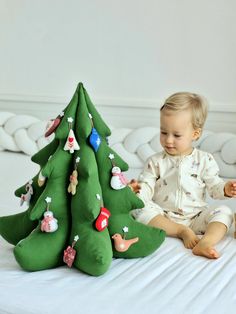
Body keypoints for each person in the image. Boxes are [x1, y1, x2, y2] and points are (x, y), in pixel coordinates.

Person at [130, 92, 236, 259]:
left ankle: (206, 242)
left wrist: (225, 188)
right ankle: (181, 231)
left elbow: (214, 188)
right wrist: (137, 191)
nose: (168, 140)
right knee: (138, 210)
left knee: (225, 212)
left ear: (195, 134)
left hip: (196, 217)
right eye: (164, 132)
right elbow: (147, 186)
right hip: (163, 217)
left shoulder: (205, 160)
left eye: (176, 135)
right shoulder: (155, 161)